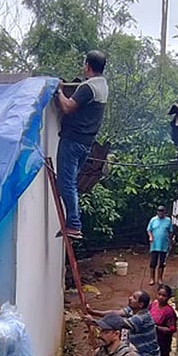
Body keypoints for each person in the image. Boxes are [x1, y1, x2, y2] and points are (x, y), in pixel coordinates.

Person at [52, 50, 108, 240]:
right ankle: (73, 222)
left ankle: (74, 224)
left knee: (66, 184)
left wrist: (59, 90)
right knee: (69, 184)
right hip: (86, 143)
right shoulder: (103, 86)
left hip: (73, 141)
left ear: (88, 66)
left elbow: (67, 107)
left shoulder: (88, 87)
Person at [150, 284, 178, 356]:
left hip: (163, 342)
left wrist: (157, 327)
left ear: (168, 297)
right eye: (159, 294)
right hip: (152, 340)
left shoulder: (169, 312)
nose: (161, 297)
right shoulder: (153, 305)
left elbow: (172, 329)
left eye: (164, 295)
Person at [146, 205, 173, 286]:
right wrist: (150, 236)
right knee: (153, 262)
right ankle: (152, 278)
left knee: (162, 263)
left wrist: (170, 241)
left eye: (162, 211)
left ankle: (160, 279)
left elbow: (170, 231)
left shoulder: (168, 220)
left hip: (164, 245)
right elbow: (149, 230)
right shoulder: (153, 220)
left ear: (164, 212)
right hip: (154, 245)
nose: (160, 213)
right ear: (157, 212)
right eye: (159, 211)